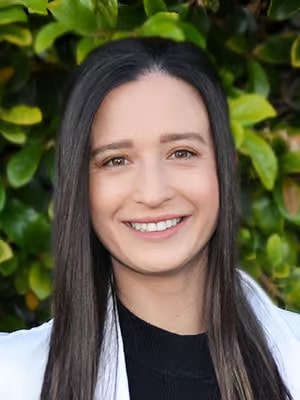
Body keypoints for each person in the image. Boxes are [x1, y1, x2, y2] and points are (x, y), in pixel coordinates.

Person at [0, 37, 299, 400]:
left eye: (182, 152)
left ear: (225, 167)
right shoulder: (12, 377)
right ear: (80, 186)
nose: (154, 193)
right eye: (116, 160)